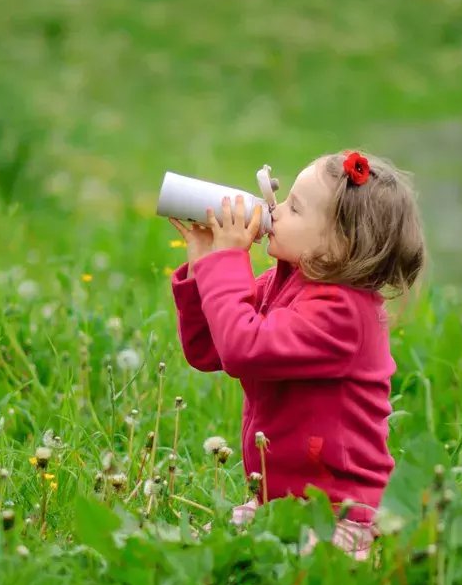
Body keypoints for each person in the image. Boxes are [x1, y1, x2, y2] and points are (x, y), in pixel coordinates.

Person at [168, 150, 425, 559]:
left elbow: (242, 349)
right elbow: (210, 349)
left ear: (339, 246)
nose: (275, 209)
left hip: (339, 512)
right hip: (281, 503)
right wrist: (204, 266)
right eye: (282, 198)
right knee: (217, 551)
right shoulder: (286, 282)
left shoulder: (343, 313)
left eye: (295, 207)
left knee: (306, 568)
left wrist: (229, 260)